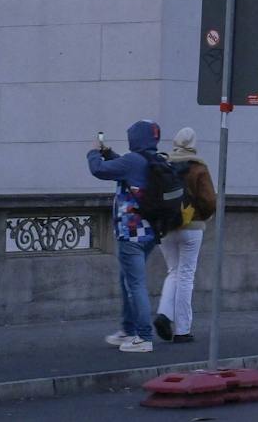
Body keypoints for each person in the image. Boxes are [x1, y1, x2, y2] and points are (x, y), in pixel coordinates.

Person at [87, 120, 165, 352]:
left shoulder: (133, 161)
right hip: (149, 232)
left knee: (135, 286)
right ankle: (128, 330)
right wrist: (109, 153)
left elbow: (99, 170)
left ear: (135, 138)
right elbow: (126, 168)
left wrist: (94, 152)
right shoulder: (154, 159)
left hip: (131, 233)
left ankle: (143, 337)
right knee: (128, 282)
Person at [153, 127, 217, 344]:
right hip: (192, 228)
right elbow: (209, 201)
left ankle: (164, 314)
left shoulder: (164, 165)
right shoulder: (198, 168)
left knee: (173, 271)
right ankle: (182, 330)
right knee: (186, 275)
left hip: (166, 227)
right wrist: (202, 217)